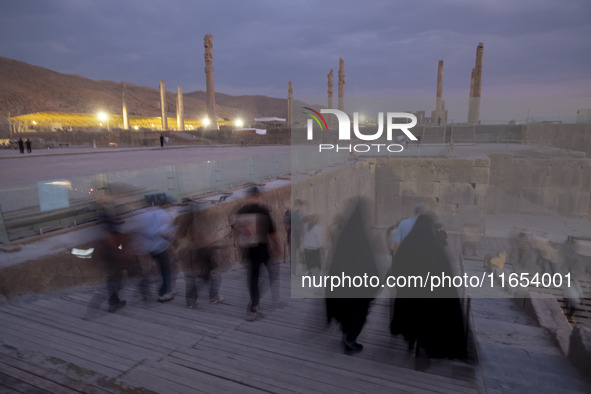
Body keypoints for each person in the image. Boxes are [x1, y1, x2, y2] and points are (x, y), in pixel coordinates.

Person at [390, 213, 467, 369]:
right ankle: (421, 354)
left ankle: (411, 342)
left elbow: (397, 266)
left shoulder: (408, 243)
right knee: (426, 324)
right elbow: (446, 275)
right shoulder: (435, 248)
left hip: (410, 293)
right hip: (429, 296)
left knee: (412, 320)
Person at [326, 198, 378, 355]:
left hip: (343, 283)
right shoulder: (362, 238)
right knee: (358, 313)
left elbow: (335, 261)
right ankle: (351, 341)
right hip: (358, 286)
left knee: (346, 310)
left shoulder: (344, 236)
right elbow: (369, 264)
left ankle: (346, 335)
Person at [235, 186, 280, 321]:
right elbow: (272, 233)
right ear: (258, 196)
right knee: (272, 273)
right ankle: (272, 299)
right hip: (263, 250)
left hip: (249, 251)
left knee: (253, 278)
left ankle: (255, 303)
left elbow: (239, 233)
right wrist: (278, 247)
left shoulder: (242, 211)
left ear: (249, 197)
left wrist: (241, 251)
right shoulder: (263, 211)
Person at [177, 204, 224, 308]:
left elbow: (178, 241)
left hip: (186, 257)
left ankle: (190, 302)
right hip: (199, 256)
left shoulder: (182, 225)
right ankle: (214, 297)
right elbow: (202, 239)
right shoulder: (197, 223)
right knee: (214, 276)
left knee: (191, 279)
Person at [132, 202, 177, 302]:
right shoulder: (161, 213)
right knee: (166, 270)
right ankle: (164, 293)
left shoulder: (147, 213)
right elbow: (162, 231)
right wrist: (171, 238)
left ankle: (166, 288)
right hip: (160, 247)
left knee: (161, 269)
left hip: (152, 248)